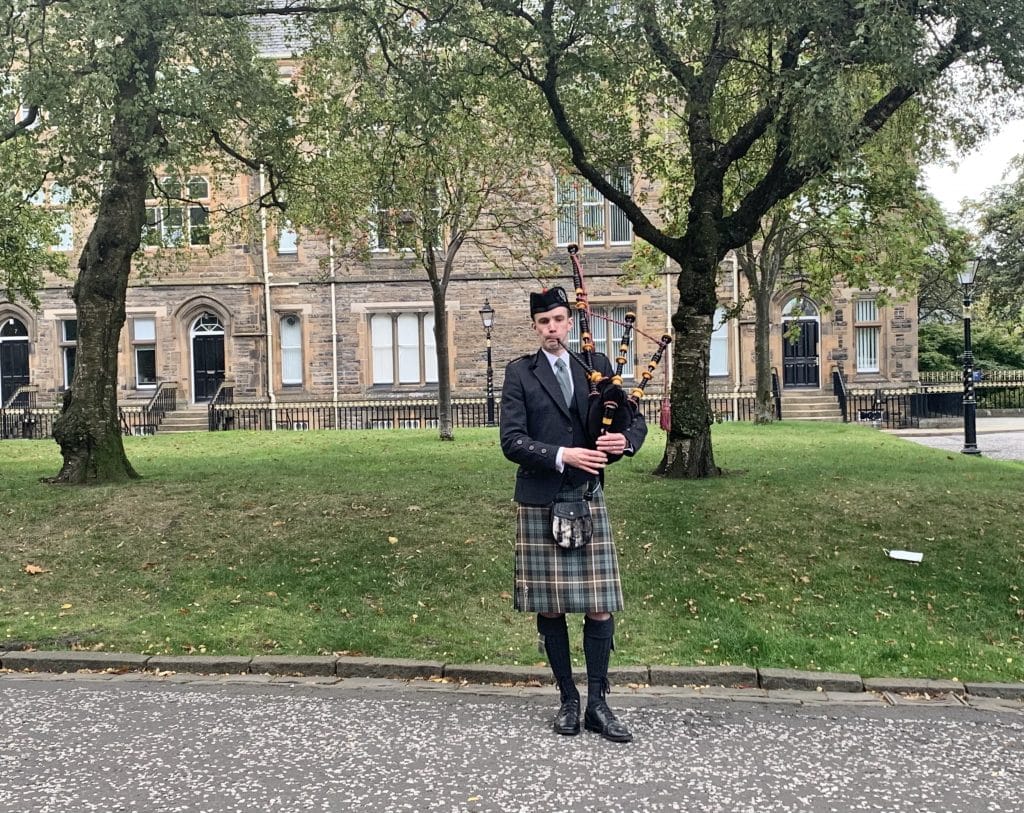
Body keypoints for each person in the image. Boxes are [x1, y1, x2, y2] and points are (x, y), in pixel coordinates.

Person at [499, 286, 647, 743]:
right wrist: (563, 454)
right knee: (551, 605)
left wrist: (626, 442)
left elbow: (633, 419)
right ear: (535, 327)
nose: (552, 329)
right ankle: (568, 699)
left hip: (587, 495)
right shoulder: (520, 373)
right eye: (543, 322)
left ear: (570, 322)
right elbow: (511, 441)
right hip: (541, 498)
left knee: (599, 606)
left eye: (559, 320)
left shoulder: (596, 365)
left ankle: (599, 704)